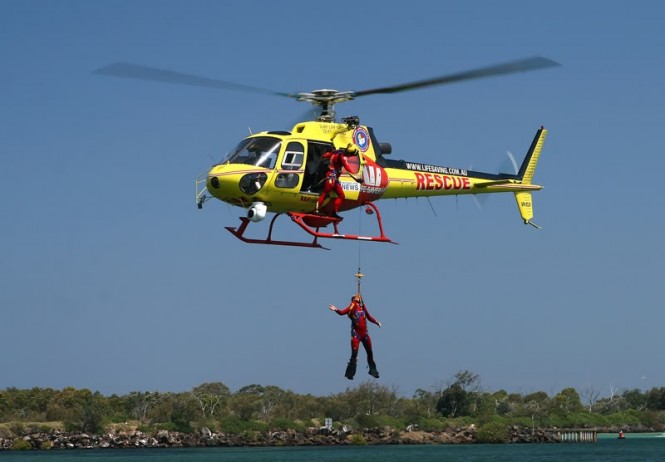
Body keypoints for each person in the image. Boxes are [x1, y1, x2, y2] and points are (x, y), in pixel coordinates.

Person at [329, 294, 381, 379]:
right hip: (356, 335)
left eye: (358, 297)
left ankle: (373, 370)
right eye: (355, 297)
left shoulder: (362, 307)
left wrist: (376, 322)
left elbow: (368, 316)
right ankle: (350, 374)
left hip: (365, 335)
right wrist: (336, 309)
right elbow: (342, 312)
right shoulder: (352, 308)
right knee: (354, 355)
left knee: (370, 353)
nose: (357, 297)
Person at [316, 143, 363, 218]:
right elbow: (347, 168)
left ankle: (332, 212)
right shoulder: (343, 157)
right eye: (351, 154)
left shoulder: (337, 152)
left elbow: (325, 156)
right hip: (332, 177)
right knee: (326, 193)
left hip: (331, 176)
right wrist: (357, 178)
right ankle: (318, 210)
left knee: (341, 195)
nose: (350, 156)